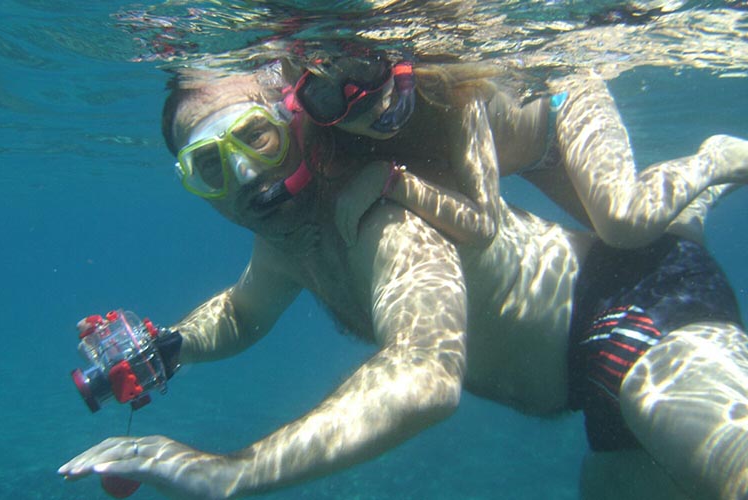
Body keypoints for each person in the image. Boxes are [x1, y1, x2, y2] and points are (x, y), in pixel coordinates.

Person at [58, 65, 748, 499]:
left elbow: (425, 372)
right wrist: (168, 345)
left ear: (296, 123)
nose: (244, 177)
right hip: (595, 400)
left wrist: (233, 472)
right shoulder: (289, 242)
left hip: (644, 308)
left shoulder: (378, 207)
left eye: (255, 138)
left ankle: (691, 202)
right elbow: (242, 313)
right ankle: (686, 217)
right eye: (209, 165)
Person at [288, 56, 748, 249]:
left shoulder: (451, 94)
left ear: (394, 60)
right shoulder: (331, 141)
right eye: (328, 97)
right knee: (673, 242)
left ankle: (715, 158)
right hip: (530, 160)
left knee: (624, 223)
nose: (362, 98)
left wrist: (389, 181)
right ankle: (700, 201)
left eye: (365, 69)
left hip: (563, 105)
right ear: (307, 106)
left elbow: (486, 225)